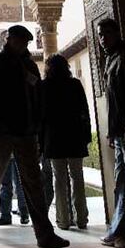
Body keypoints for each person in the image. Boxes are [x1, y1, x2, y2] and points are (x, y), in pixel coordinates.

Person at [0, 24, 70, 248]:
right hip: (2, 131)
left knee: (33, 182)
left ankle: (44, 234)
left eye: (24, 42)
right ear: (8, 40)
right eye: (17, 40)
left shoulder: (28, 65)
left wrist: (37, 123)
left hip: (26, 131)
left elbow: (37, 96)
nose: (21, 44)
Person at [40, 54, 91, 231]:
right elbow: (84, 111)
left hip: (54, 139)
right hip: (74, 136)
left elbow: (41, 117)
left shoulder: (44, 86)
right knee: (77, 177)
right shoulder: (75, 85)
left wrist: (40, 142)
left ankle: (63, 220)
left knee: (58, 179)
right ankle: (82, 218)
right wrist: (86, 137)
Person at [97, 18, 125, 248]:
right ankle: (119, 233)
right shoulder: (111, 58)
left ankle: (118, 232)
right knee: (123, 184)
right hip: (120, 133)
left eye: (107, 33)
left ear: (117, 33)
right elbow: (113, 102)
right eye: (100, 34)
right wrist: (113, 133)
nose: (103, 39)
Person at [0, 156, 29, 225]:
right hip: (19, 150)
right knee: (20, 183)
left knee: (6, 184)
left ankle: (5, 215)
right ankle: (24, 213)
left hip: (6, 151)